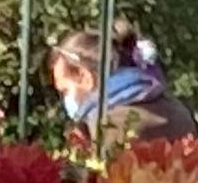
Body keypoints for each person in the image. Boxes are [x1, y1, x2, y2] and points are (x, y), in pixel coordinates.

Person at [49, 23, 188, 142]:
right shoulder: (178, 112)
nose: (65, 100)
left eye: (65, 90)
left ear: (86, 78)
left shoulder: (103, 131)